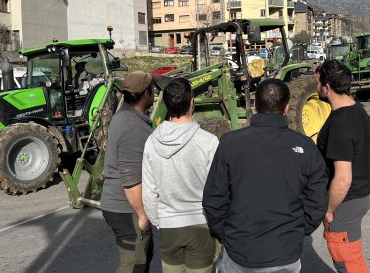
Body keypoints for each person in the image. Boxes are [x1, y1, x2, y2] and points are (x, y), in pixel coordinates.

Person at [203, 78, 328, 272]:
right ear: (286, 108)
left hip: (239, 252)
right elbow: (318, 200)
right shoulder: (305, 147)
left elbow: (213, 198)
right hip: (285, 252)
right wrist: (299, 231)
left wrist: (225, 235)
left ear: (254, 105)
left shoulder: (230, 143)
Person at [142, 77, 219, 272]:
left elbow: (149, 193)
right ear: (192, 102)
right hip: (201, 225)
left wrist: (161, 223)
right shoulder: (208, 142)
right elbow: (218, 191)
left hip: (169, 227)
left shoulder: (151, 141)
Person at [315, 60, 370, 273]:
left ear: (327, 87)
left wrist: (329, 210)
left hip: (346, 201)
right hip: (362, 193)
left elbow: (343, 178)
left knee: (348, 263)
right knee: (352, 258)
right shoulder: (357, 109)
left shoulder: (340, 124)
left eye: (318, 82)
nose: (316, 86)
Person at [101, 71, 156, 273]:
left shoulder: (123, 114)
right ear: (145, 94)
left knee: (143, 256)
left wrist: (153, 78)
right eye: (151, 89)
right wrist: (142, 214)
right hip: (127, 208)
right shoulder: (134, 127)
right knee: (134, 264)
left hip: (117, 204)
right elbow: (131, 178)